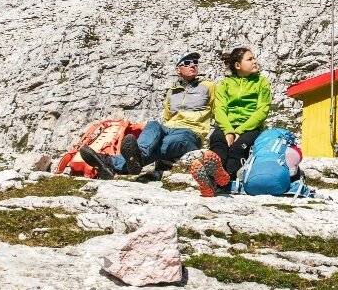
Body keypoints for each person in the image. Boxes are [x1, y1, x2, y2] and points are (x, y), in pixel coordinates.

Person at [80, 51, 216, 180]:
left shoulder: (208, 86)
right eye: (186, 62)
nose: (192, 65)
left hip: (191, 133)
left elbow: (218, 111)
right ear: (178, 70)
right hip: (170, 128)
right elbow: (168, 117)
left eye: (195, 62)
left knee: (164, 144)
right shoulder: (172, 92)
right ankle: (136, 157)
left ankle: (111, 162)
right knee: (153, 124)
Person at [200, 47, 272, 193]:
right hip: (227, 125)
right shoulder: (225, 84)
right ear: (237, 65)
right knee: (218, 140)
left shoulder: (261, 82)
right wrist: (228, 130)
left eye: (254, 58)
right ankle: (216, 175)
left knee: (237, 148)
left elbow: (262, 110)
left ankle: (222, 180)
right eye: (250, 59)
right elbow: (219, 109)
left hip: (251, 127)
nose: (254, 61)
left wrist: (239, 130)